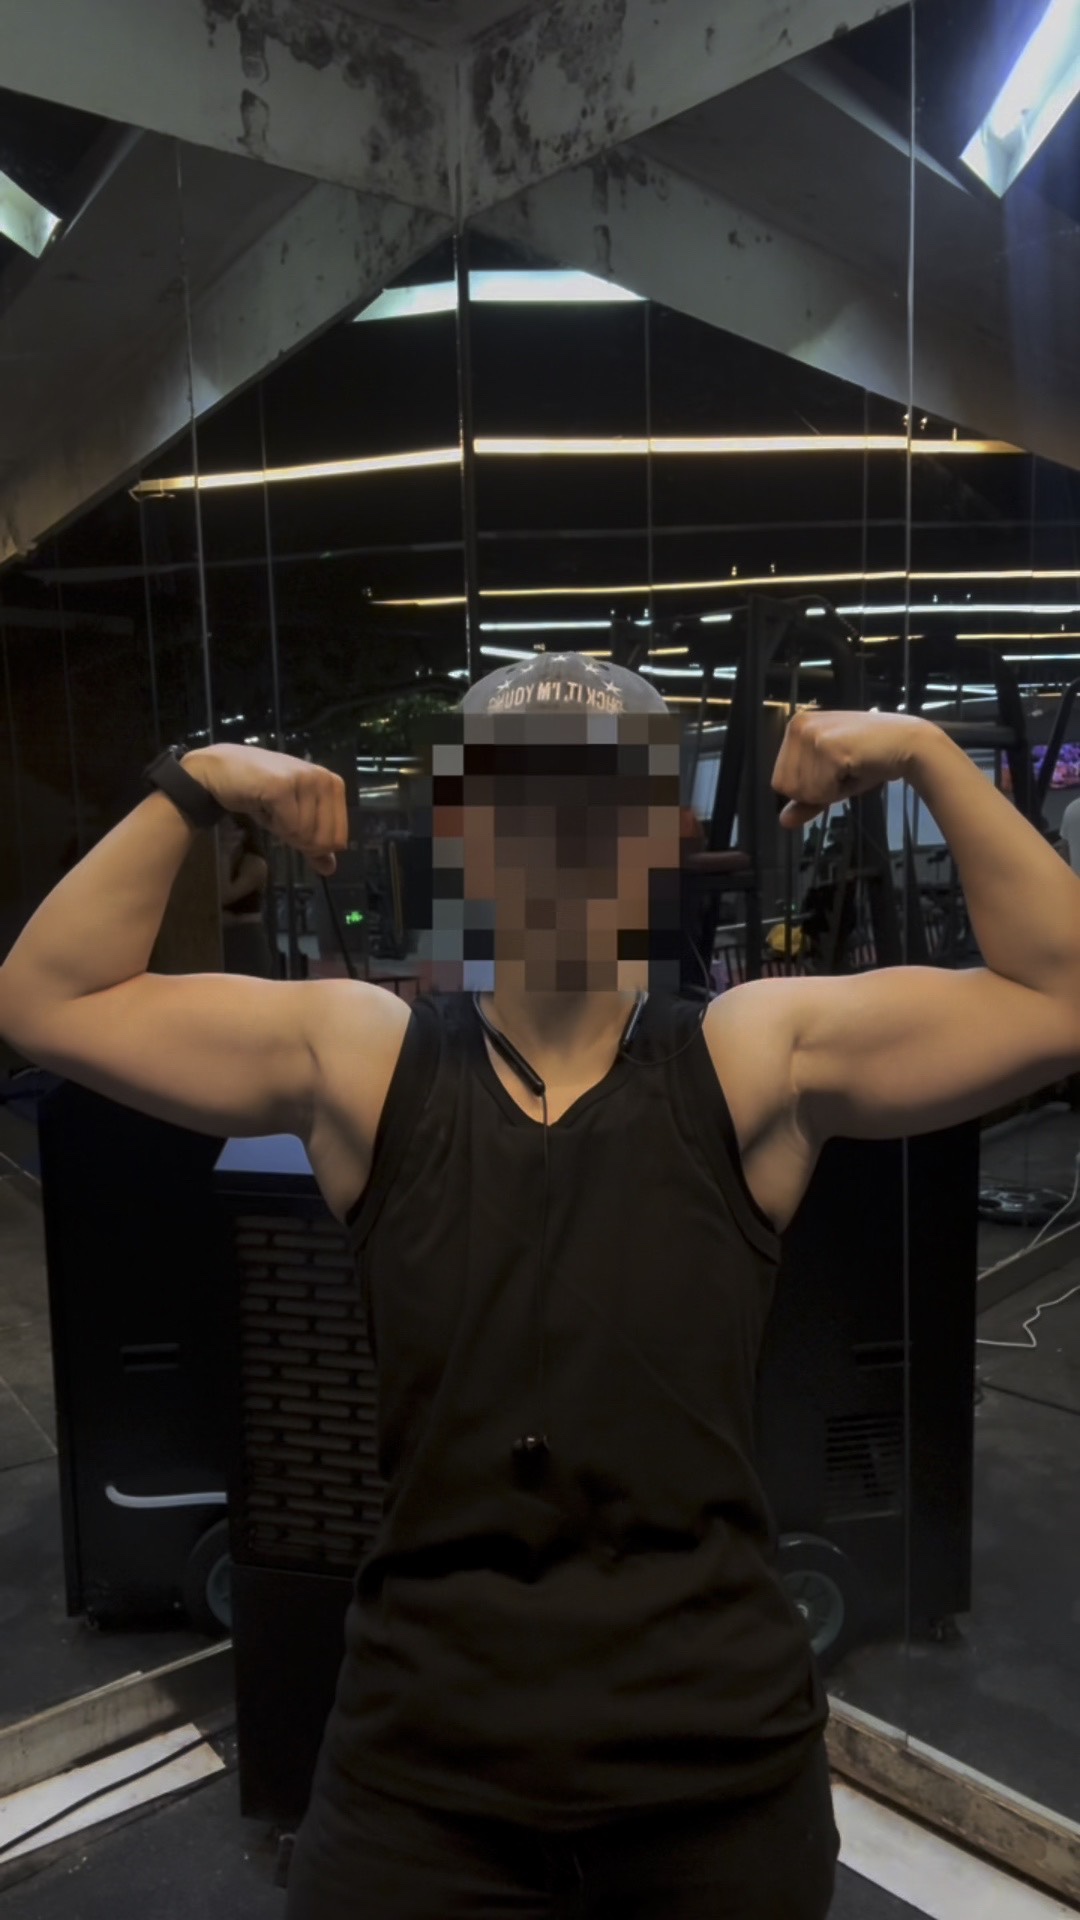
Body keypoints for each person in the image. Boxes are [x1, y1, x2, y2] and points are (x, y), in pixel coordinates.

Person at [3, 651, 1079, 1916]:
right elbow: (46, 998)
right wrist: (195, 784)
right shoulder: (364, 1058)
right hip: (424, 1779)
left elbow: (1058, 995)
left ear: (658, 840)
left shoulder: (750, 1058)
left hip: (713, 1776)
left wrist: (928, 755)